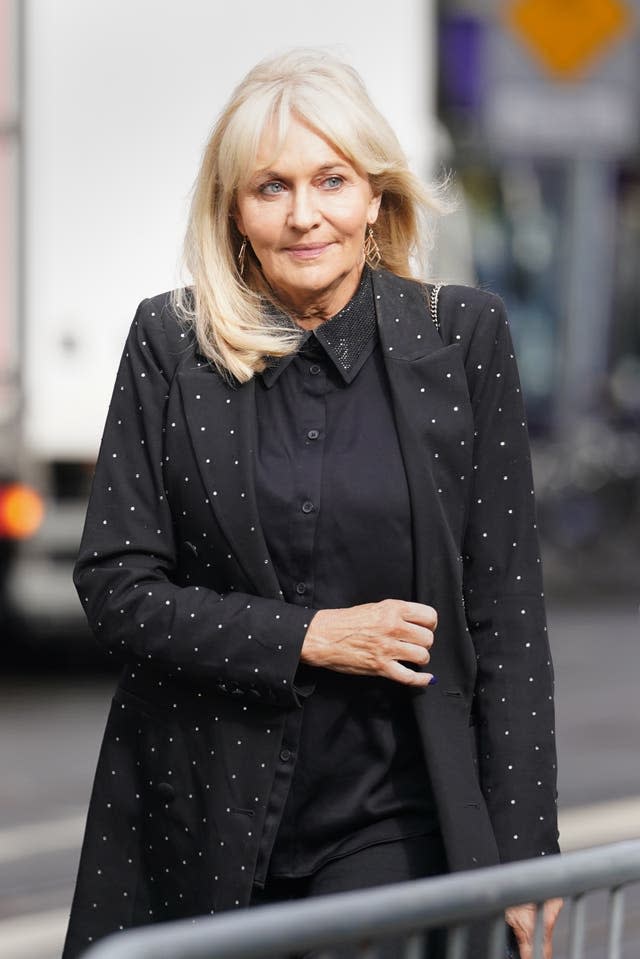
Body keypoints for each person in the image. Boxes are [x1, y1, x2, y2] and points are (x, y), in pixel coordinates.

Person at [63, 49, 561, 959]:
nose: (304, 215)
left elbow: (508, 616)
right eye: (271, 187)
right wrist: (309, 637)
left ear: (374, 196)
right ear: (234, 212)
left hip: (396, 827)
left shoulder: (462, 337)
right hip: (200, 821)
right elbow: (115, 585)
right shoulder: (170, 345)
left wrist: (526, 852)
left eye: (331, 180)